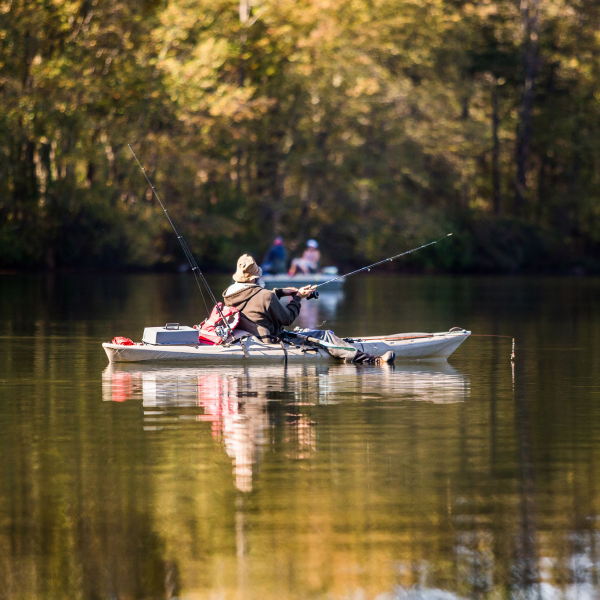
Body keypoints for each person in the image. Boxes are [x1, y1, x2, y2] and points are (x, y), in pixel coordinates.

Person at [223, 254, 395, 364]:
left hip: (248, 338)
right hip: (270, 340)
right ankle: (374, 361)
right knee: (324, 335)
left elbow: (255, 298)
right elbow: (288, 318)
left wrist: (282, 292)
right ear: (254, 278)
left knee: (310, 333)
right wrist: (298, 298)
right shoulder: (265, 296)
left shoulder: (229, 294)